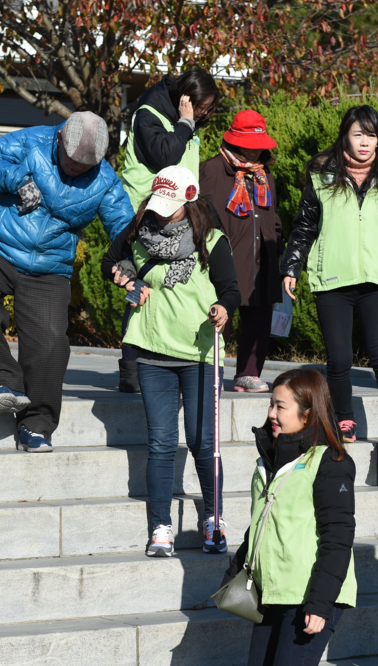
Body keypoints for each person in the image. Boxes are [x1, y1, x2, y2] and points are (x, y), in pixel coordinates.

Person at [0, 112, 134, 453]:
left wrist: (128, 262)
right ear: (59, 138)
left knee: (49, 342)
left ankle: (37, 424)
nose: (76, 169)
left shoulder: (105, 180)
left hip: (50, 266)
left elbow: (123, 225)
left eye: (85, 166)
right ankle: (4, 381)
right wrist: (15, 178)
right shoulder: (32, 140)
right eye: (71, 161)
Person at [102, 165, 241, 556]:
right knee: (161, 442)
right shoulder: (138, 230)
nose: (162, 213)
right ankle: (160, 526)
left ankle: (213, 520)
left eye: (172, 207)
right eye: (159, 204)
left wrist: (222, 307)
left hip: (199, 352)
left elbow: (231, 290)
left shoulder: (211, 239)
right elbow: (107, 263)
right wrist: (129, 280)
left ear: (189, 200)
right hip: (151, 350)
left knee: (202, 442)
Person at [280, 105, 378, 458]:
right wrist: (291, 266)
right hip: (333, 279)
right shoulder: (321, 177)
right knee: (338, 359)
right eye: (358, 134)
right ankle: (344, 420)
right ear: (345, 136)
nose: (365, 142)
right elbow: (305, 226)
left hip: (377, 280)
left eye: (371, 135)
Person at [221, 368, 356, 666]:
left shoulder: (329, 462)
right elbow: (262, 523)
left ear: (307, 414)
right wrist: (236, 571)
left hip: (310, 594)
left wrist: (320, 602)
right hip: (272, 591)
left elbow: (338, 537)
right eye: (271, 405)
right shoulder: (269, 460)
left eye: (280, 407)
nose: (271, 414)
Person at [118, 68, 221, 393]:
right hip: (145, 216)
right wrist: (186, 121)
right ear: (185, 100)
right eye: (202, 107)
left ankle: (176, 361)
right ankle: (131, 372)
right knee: (141, 288)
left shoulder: (182, 121)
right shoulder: (150, 115)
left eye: (208, 109)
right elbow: (167, 156)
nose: (205, 114)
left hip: (181, 212)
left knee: (180, 285)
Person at [200, 110, 284, 393]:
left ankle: (248, 373)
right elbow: (201, 217)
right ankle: (208, 369)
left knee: (259, 316)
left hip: (263, 257)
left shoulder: (264, 174)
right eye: (249, 141)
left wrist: (278, 247)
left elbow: (272, 216)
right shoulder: (210, 170)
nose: (255, 148)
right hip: (226, 256)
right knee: (220, 314)